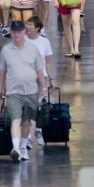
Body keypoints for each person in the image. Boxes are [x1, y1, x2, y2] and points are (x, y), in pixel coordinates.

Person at [0, 20, 45, 161]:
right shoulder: (6, 50)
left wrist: (44, 87)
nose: (17, 35)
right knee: (15, 120)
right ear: (11, 33)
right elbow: (2, 71)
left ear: (24, 32)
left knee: (27, 121)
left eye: (19, 32)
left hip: (30, 91)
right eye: (14, 32)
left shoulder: (32, 49)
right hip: (13, 92)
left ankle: (23, 147)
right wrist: (0, 89)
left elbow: (39, 69)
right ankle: (15, 148)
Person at [24, 16, 53, 147]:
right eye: (27, 24)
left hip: (41, 78)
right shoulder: (22, 40)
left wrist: (50, 79)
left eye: (30, 25)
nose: (27, 27)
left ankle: (38, 130)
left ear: (37, 28)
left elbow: (48, 62)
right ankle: (27, 135)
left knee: (40, 106)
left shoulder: (44, 42)